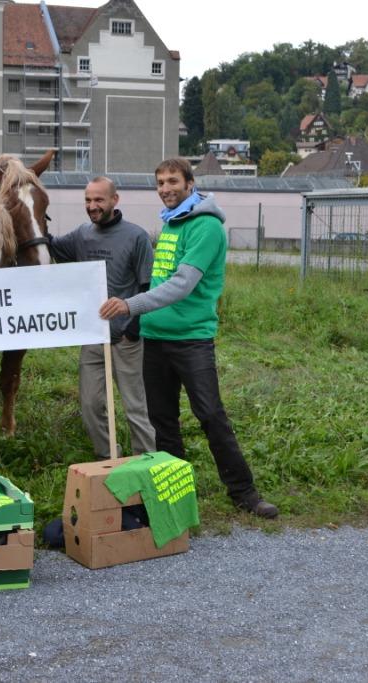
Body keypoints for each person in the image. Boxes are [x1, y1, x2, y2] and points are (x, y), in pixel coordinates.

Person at [99, 158, 279, 519]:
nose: (165, 189)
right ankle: (175, 497)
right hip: (155, 337)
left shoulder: (206, 226)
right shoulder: (172, 223)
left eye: (173, 181)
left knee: (210, 415)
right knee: (162, 422)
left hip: (191, 339)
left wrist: (130, 305)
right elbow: (160, 278)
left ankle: (244, 493)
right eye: (160, 183)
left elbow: (181, 285)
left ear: (190, 183)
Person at [49, 177, 156, 459]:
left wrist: (133, 329)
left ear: (114, 200)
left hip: (125, 339)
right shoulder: (81, 235)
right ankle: (108, 458)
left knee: (135, 408)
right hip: (94, 336)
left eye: (99, 199)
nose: (92, 206)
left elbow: (147, 286)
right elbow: (50, 246)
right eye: (88, 200)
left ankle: (146, 462)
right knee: (91, 405)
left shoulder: (136, 236)